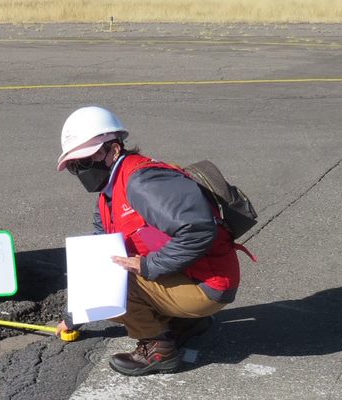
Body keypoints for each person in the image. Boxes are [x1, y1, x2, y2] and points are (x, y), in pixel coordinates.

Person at [55, 106, 252, 376]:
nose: (81, 170)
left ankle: (159, 349)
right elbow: (97, 253)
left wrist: (148, 266)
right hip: (188, 276)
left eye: (85, 161)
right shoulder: (109, 193)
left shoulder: (143, 182)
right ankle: (183, 323)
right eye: (74, 166)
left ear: (113, 150)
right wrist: (73, 315)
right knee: (105, 270)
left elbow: (198, 230)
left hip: (207, 284)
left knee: (115, 281)